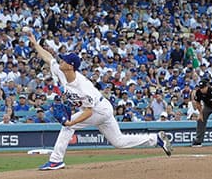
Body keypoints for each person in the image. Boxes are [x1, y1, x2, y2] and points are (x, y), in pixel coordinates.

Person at [25, 30, 171, 171]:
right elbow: (48, 58)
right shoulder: (62, 72)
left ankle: (55, 161)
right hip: (101, 108)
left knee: (68, 127)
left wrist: (72, 122)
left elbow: (88, 112)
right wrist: (34, 42)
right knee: (118, 142)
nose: (60, 61)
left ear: (70, 66)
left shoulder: (83, 86)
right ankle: (156, 139)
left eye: (64, 60)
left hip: (98, 110)